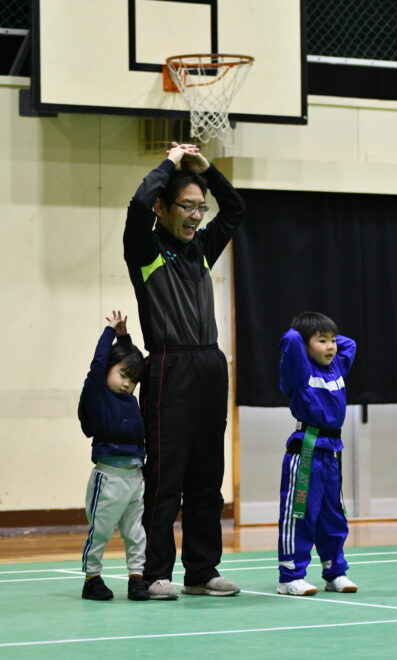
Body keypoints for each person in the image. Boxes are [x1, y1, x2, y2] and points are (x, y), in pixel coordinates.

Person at [123, 142, 245, 599]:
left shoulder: (201, 249)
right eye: (187, 206)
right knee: (165, 480)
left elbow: (235, 208)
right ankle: (155, 573)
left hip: (210, 366)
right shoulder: (145, 248)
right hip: (170, 368)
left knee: (206, 480)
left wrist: (206, 170)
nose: (196, 216)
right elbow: (137, 207)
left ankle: (201, 571)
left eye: (200, 207)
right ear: (163, 208)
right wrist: (170, 163)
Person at [277, 311, 358, 596]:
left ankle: (335, 572)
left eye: (332, 340)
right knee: (300, 514)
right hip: (306, 451)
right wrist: (302, 337)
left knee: (332, 515)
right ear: (304, 346)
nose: (331, 346)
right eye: (322, 341)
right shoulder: (299, 372)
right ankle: (290, 576)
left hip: (331, 454)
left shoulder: (336, 367)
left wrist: (323, 336)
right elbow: (290, 340)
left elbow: (350, 344)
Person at [78, 310, 149, 601]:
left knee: (136, 533)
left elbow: (131, 362)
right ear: (108, 368)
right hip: (108, 479)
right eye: (122, 374)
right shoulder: (97, 395)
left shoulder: (129, 400)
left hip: (135, 477)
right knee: (100, 532)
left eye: (133, 380)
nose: (127, 383)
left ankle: (136, 578)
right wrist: (111, 333)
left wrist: (125, 340)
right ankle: (92, 579)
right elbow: (98, 364)